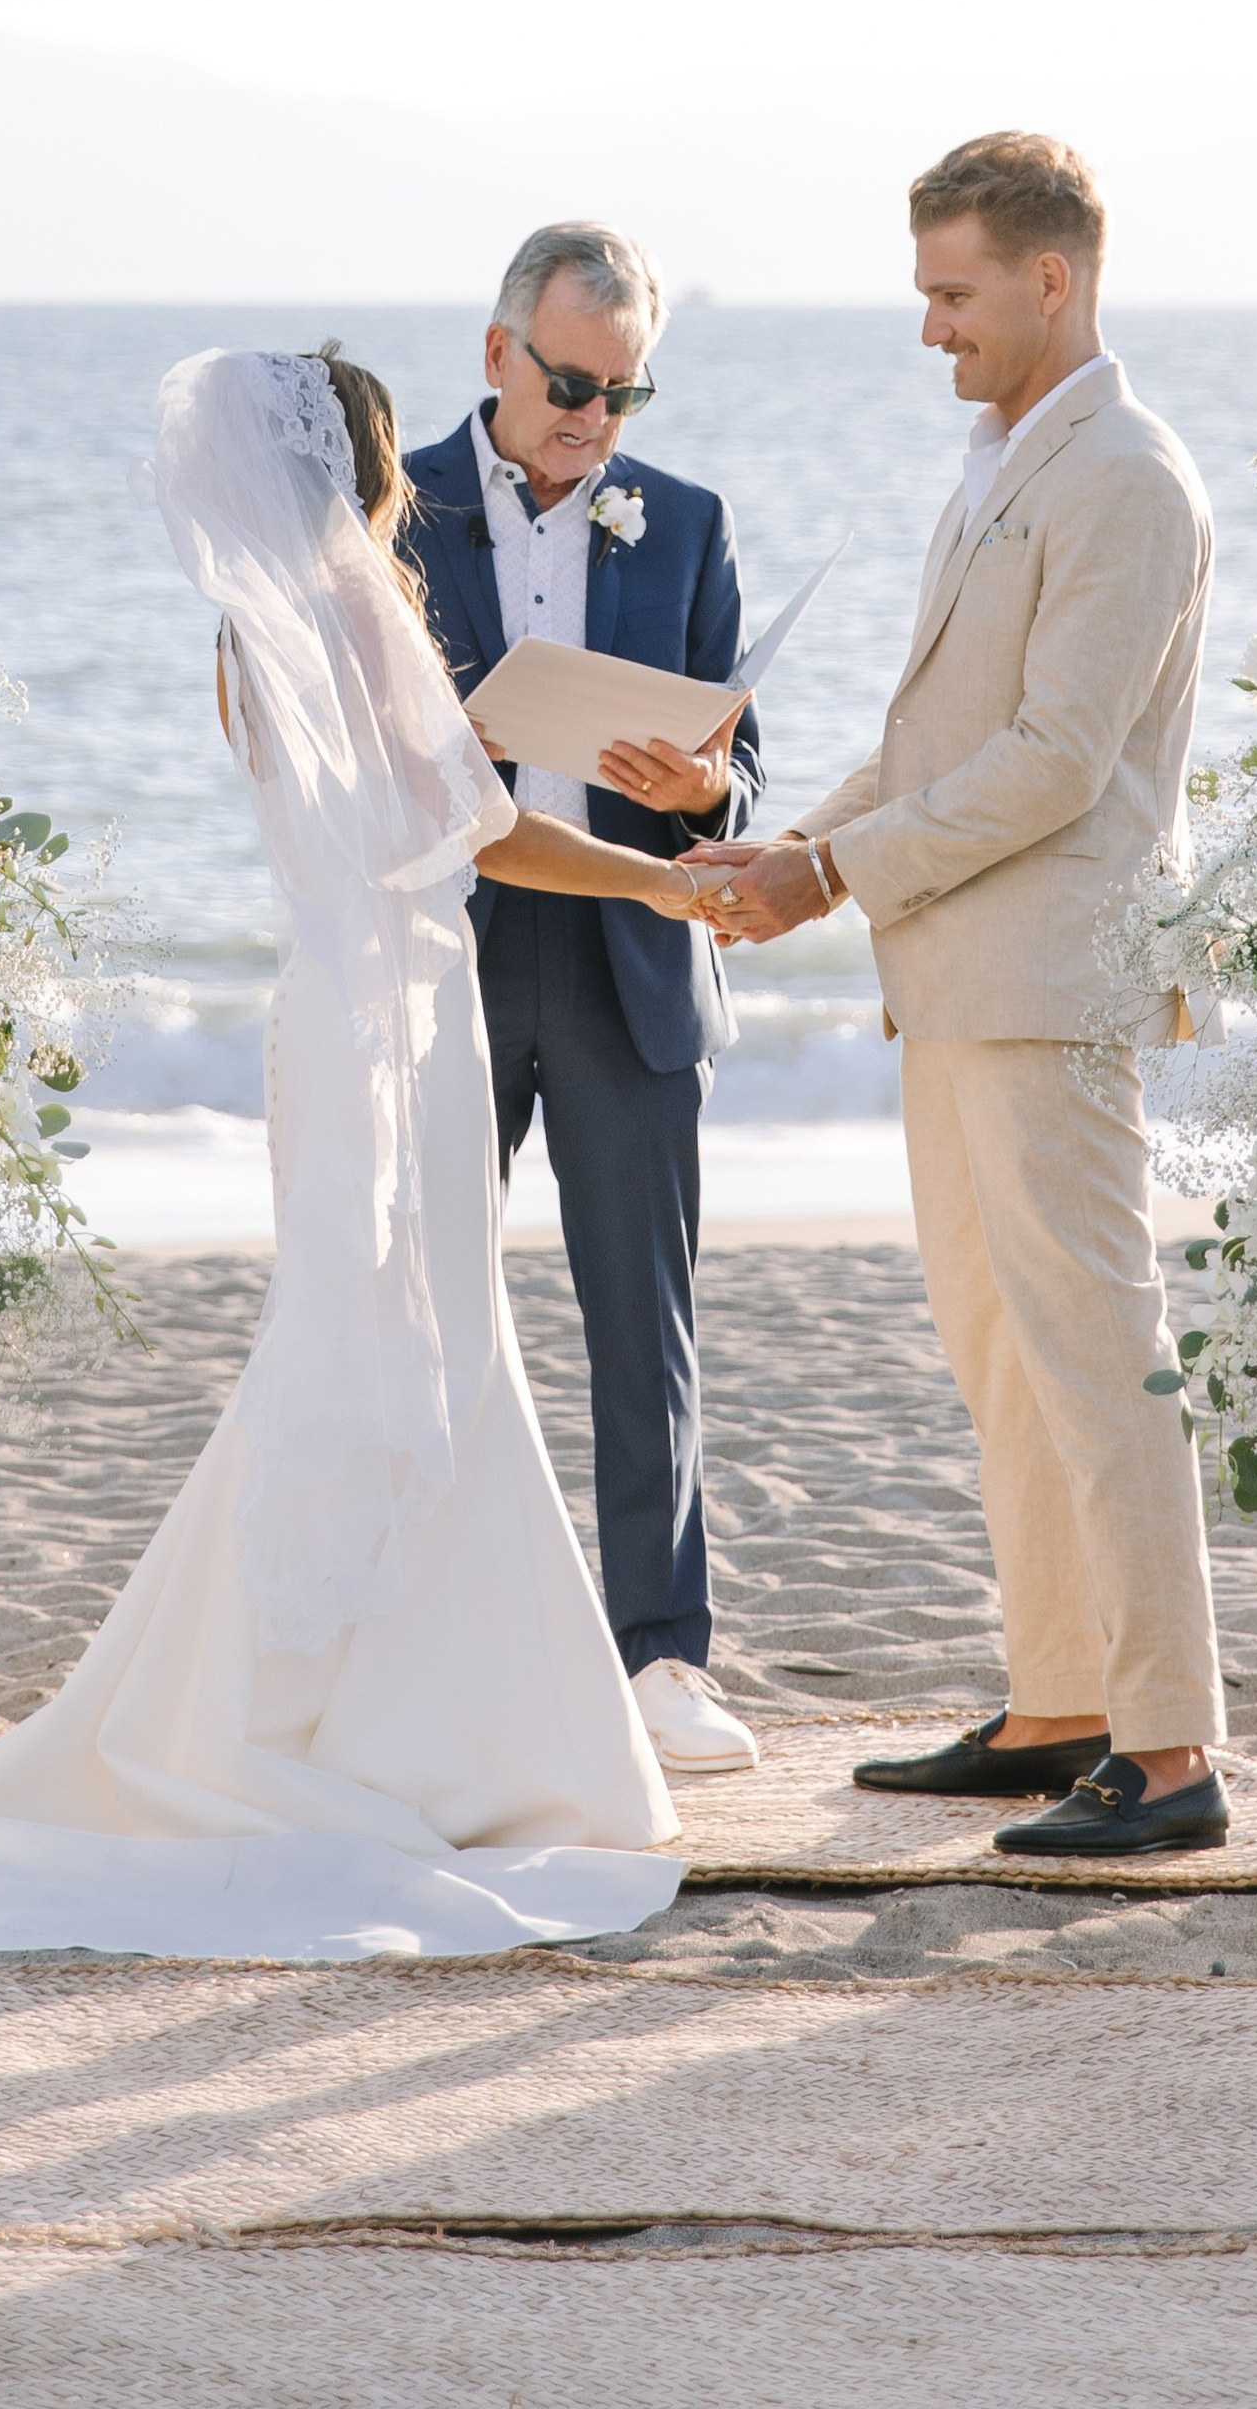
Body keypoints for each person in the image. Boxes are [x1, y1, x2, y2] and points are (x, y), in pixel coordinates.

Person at [0, 344, 732, 1965]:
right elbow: (481, 831)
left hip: (334, 1013)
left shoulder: (249, 631)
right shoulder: (360, 604)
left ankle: (322, 1704)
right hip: (402, 1022)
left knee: (361, 1343)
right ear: (361, 468)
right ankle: (415, 1735)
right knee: (422, 1354)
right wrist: (660, 882)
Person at [696, 134, 1229, 1861]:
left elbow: (1057, 763)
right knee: (1005, 1365)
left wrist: (832, 875)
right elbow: (936, 741)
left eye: (953, 292)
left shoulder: (1125, 477)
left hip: (1053, 991)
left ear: (1050, 278)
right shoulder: (1013, 458)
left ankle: (1168, 1752)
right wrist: (779, 847)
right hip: (954, 987)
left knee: (1098, 1360)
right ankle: (1064, 1699)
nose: (932, 329)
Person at [400, 225, 763, 1777]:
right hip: (453, 955)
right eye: (568, 383)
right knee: (420, 1304)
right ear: (496, 357)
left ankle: (664, 1659)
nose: (593, 420)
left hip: (629, 956)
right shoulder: (390, 509)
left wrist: (705, 788)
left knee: (645, 1325)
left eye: (624, 393)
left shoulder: (683, 523)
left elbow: (747, 769)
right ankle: (417, 1635)